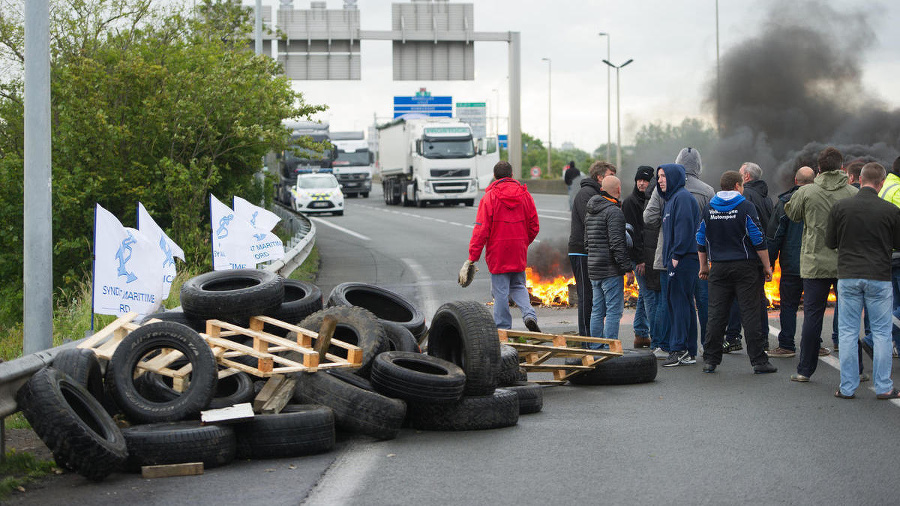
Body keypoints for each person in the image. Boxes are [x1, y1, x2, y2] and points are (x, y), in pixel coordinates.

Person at [825, 162, 900, 399]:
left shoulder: (841, 207)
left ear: (858, 179)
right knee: (881, 333)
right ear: (881, 182)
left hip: (848, 276)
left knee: (847, 332)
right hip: (878, 276)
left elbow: (830, 242)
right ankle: (884, 386)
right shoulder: (890, 210)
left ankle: (847, 388)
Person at [784, 147, 857, 382]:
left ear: (819, 169)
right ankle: (857, 370)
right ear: (842, 167)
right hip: (846, 264)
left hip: (815, 264)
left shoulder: (807, 192)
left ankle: (805, 370)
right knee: (849, 317)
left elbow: (792, 214)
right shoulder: (853, 193)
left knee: (812, 317)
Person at [697, 170, 777, 374]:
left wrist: (703, 266)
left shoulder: (709, 208)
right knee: (750, 314)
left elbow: (700, 238)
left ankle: (710, 360)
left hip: (719, 269)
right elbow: (758, 238)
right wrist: (767, 266)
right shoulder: (745, 206)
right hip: (745, 268)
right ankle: (758, 361)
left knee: (716, 314)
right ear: (737, 186)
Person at [644, 148, 714, 360]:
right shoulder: (708, 190)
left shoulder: (665, 191)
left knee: (671, 302)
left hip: (672, 255)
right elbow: (712, 224)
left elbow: (648, 218)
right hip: (700, 256)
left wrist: (666, 224)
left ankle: (667, 344)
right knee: (702, 302)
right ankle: (707, 346)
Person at [464, 160, 541, 331]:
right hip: (518, 250)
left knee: (500, 293)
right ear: (512, 175)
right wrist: (522, 243)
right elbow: (534, 226)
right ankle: (529, 314)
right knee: (519, 286)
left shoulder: (489, 198)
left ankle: (503, 329)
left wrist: (472, 257)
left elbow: (481, 230)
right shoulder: (525, 195)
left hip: (498, 252)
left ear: (494, 176)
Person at [722, 162, 775, 353]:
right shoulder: (766, 197)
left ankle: (733, 337)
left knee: (738, 297)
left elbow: (750, 228)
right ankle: (762, 339)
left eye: (740, 171)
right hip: (760, 254)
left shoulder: (746, 196)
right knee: (758, 297)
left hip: (746, 254)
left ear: (745, 177)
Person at [767, 166, 815, 358]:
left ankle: (786, 345)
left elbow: (774, 236)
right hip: (815, 265)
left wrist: (768, 263)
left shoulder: (785, 202)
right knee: (814, 308)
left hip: (792, 265)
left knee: (788, 306)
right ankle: (815, 345)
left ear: (796, 181)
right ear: (813, 182)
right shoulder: (821, 201)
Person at [656, 163, 701, 367]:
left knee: (679, 305)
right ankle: (689, 351)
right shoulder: (671, 199)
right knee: (685, 305)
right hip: (680, 259)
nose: (660, 180)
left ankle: (678, 349)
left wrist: (676, 255)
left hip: (683, 260)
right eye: (659, 177)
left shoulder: (682, 198)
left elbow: (684, 228)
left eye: (664, 176)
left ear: (674, 177)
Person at [569, 161, 617, 339]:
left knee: (594, 296)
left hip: (591, 251)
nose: (614, 178)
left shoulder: (596, 193)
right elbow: (591, 222)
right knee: (586, 295)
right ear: (600, 177)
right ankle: (585, 337)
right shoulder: (586, 194)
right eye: (611, 174)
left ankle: (593, 335)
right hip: (581, 251)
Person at [584, 175, 633, 343]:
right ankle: (609, 349)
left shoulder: (590, 211)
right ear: (618, 190)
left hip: (594, 270)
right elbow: (617, 244)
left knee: (597, 310)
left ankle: (596, 348)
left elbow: (586, 243)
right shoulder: (614, 212)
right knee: (613, 311)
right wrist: (627, 268)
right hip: (611, 271)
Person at [622, 166, 655, 348]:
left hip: (648, 255)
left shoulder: (652, 200)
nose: (641, 183)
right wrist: (640, 259)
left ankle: (641, 334)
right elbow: (632, 235)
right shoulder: (630, 202)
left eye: (645, 180)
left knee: (644, 294)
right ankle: (656, 336)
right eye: (639, 180)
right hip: (639, 257)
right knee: (649, 294)